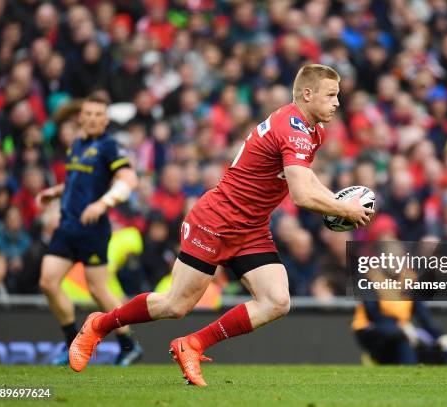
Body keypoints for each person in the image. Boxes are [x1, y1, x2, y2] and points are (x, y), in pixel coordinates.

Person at [69, 64, 374, 386]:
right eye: (331, 95)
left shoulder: (313, 130)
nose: (338, 102)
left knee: (277, 301)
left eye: (338, 95)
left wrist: (334, 203)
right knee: (175, 305)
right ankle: (100, 325)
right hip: (216, 221)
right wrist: (343, 208)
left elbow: (301, 176)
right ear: (308, 94)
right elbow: (299, 195)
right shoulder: (293, 128)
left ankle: (193, 344)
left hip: (251, 226)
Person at [36, 92, 141, 366]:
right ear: (81, 117)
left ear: (106, 120)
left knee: (98, 290)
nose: (93, 119)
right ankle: (72, 343)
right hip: (67, 225)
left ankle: (129, 344)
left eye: (98, 115)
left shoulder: (109, 146)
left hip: (92, 229)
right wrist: (55, 192)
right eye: (89, 114)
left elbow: (129, 179)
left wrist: (102, 204)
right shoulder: (77, 145)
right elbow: (77, 182)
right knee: (47, 281)